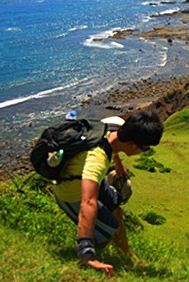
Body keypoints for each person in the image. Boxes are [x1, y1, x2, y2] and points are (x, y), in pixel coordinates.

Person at [52, 110, 164, 277]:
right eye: (145, 149)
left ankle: (126, 256)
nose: (144, 152)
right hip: (71, 192)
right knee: (108, 230)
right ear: (133, 146)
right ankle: (87, 260)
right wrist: (86, 252)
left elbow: (114, 144)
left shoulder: (116, 123)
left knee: (116, 212)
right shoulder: (97, 160)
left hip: (88, 177)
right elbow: (88, 201)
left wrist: (118, 163)